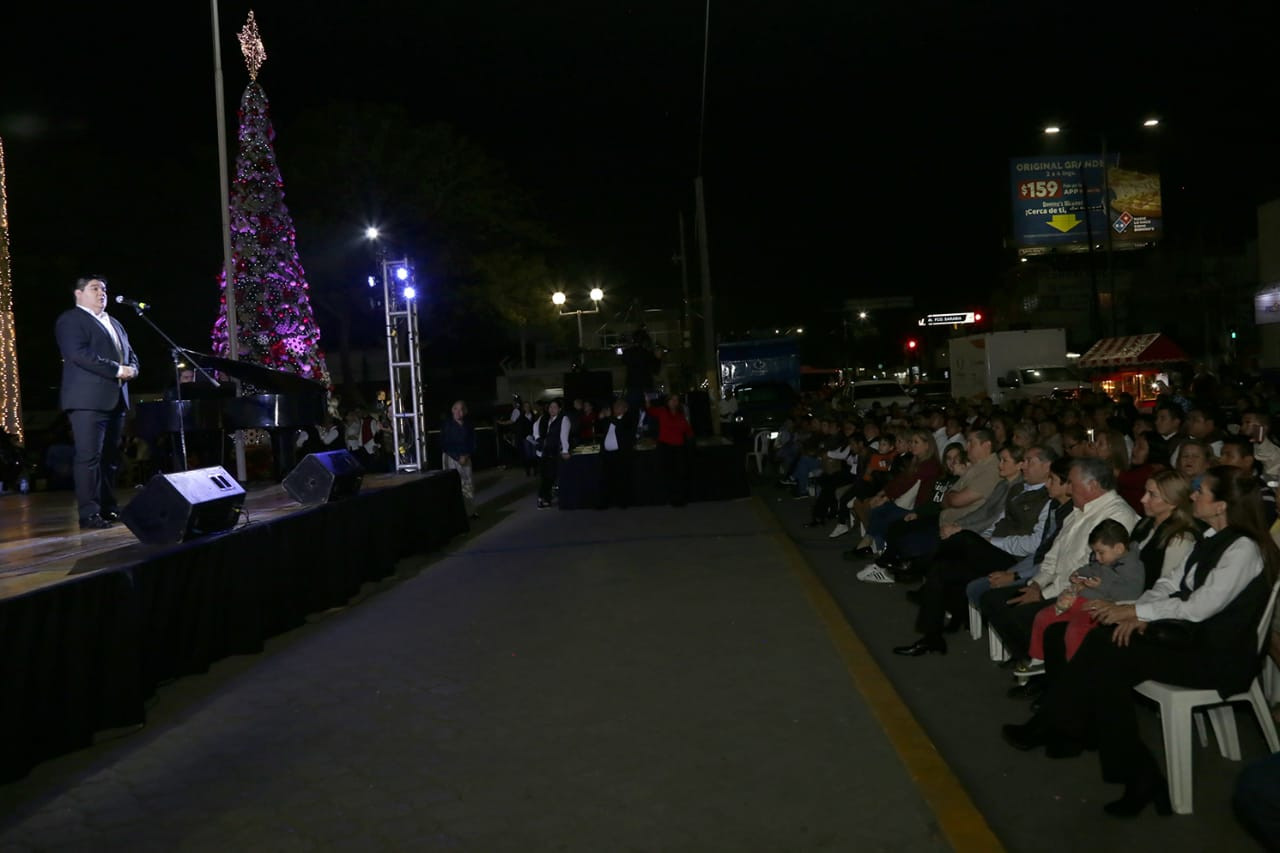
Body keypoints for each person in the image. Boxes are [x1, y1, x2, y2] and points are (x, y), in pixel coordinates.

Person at [1003, 466, 1280, 818]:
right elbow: (1170, 584)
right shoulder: (1212, 536)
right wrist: (1133, 612)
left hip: (1215, 656)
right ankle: (1115, 759)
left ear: (1222, 505)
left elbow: (1200, 607)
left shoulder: (1244, 549)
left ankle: (1067, 729)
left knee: (1106, 654)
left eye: (1201, 492)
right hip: (1189, 639)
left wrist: (1136, 612)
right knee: (1103, 654)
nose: (1193, 495)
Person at [54, 276, 140, 529]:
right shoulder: (71, 320)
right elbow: (79, 354)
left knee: (110, 459)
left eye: (104, 289)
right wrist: (117, 370)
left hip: (116, 399)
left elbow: (130, 353)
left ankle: (108, 508)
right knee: (89, 457)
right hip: (87, 400)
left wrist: (133, 369)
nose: (102, 293)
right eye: (95, 288)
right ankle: (89, 513)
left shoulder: (114, 322)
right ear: (79, 293)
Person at [1020, 519, 1145, 670]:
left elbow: (1132, 593)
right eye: (1095, 552)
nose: (1097, 557)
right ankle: (1038, 658)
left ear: (1118, 548)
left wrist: (1101, 585)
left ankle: (1076, 669)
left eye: (1101, 552)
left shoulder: (1133, 567)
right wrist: (1078, 574)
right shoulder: (1102, 560)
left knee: (1076, 631)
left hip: (1096, 607)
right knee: (1043, 616)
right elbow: (1090, 568)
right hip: (1077, 599)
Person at [647, 393, 695, 506]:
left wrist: (692, 438)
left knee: (680, 473)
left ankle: (679, 498)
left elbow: (687, 429)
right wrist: (647, 401)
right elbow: (650, 410)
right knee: (668, 473)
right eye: (672, 399)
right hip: (665, 447)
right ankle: (671, 498)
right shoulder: (662, 411)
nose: (674, 402)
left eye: (676, 400)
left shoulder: (680, 414)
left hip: (678, 447)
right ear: (667, 402)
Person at [597, 397, 638, 509]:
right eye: (615, 406)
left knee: (621, 478)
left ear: (625, 408)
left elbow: (621, 427)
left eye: (619, 406)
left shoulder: (628, 419)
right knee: (605, 478)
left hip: (620, 454)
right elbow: (601, 429)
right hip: (607, 454)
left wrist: (609, 417)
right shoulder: (610, 420)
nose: (616, 408)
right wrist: (601, 418)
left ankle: (622, 502)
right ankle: (604, 502)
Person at [440, 400, 478, 519]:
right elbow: (444, 444)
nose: (458, 412)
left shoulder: (468, 425)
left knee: (468, 484)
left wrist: (466, 455)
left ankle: (470, 512)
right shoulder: (447, 425)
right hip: (451, 458)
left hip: (465, 457)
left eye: (461, 409)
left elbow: (473, 442)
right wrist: (457, 457)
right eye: (456, 409)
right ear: (452, 410)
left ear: (465, 411)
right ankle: (454, 513)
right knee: (452, 485)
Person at [533, 398, 572, 509]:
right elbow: (537, 431)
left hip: (555, 452)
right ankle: (543, 499)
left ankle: (546, 499)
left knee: (552, 477)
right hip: (545, 452)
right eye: (550, 407)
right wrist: (539, 442)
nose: (552, 409)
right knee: (545, 476)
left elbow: (564, 436)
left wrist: (565, 450)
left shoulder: (563, 419)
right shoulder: (545, 419)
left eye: (555, 407)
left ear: (559, 409)